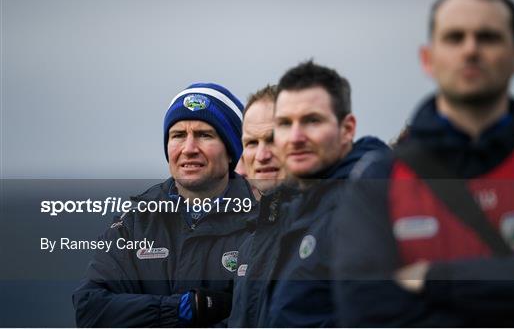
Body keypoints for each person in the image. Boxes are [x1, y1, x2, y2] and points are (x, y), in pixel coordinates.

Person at [333, 0, 514, 327]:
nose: (470, 50)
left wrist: (432, 279)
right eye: (454, 38)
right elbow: (365, 310)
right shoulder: (379, 177)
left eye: (488, 37)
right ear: (428, 59)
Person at [73, 83, 256, 327]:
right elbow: (91, 309)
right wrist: (184, 308)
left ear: (232, 150)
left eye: (205, 135)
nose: (189, 149)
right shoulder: (135, 222)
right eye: (178, 135)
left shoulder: (261, 219)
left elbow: (262, 316)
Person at [257, 61, 388, 327]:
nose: (295, 137)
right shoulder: (301, 207)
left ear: (347, 129)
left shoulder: (369, 201)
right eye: (284, 124)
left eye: (312, 121)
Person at [228, 84, 295, 327]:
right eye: (251, 143)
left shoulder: (328, 225)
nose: (262, 155)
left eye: (272, 139)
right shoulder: (250, 243)